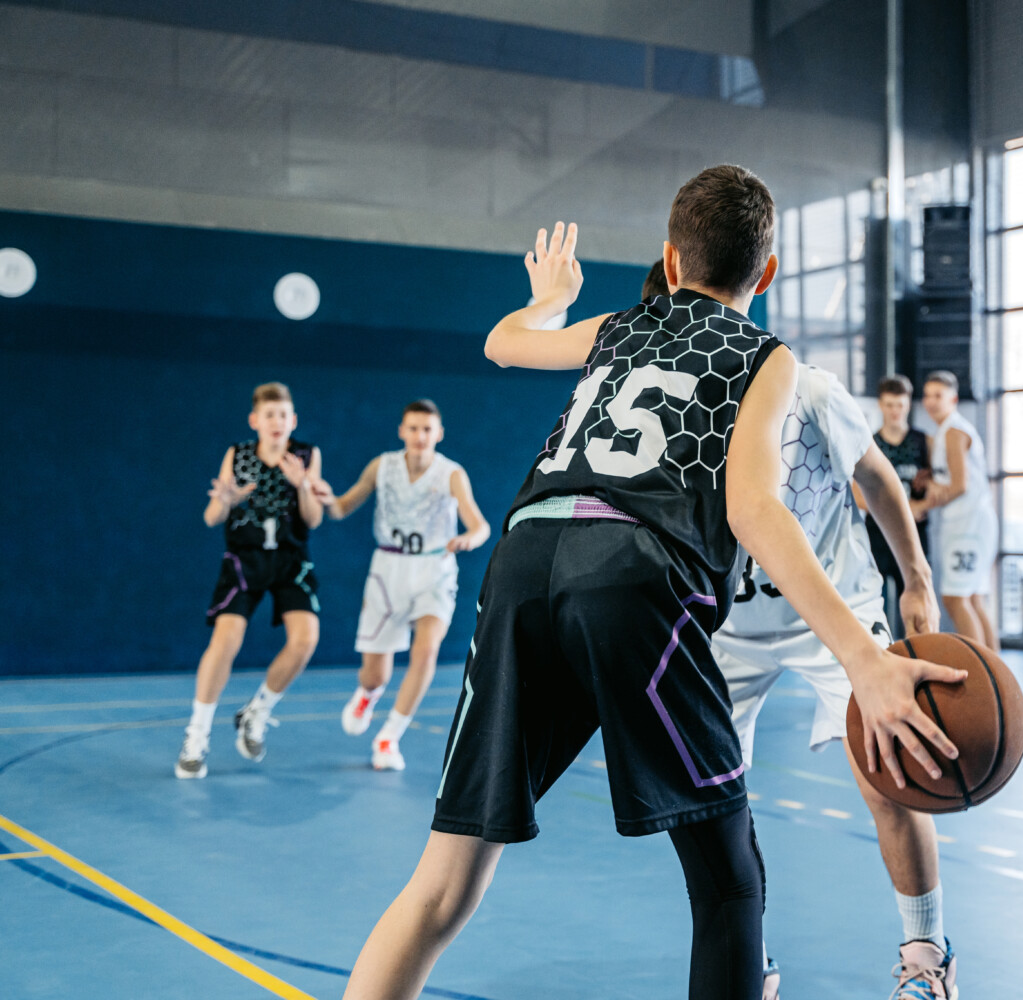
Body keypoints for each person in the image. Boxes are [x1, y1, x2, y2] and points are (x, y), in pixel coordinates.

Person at [341, 166, 964, 1000]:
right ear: (767, 275)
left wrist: (551, 300)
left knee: (445, 882)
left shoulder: (619, 324)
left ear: (671, 263)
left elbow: (502, 342)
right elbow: (753, 510)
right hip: (632, 574)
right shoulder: (766, 359)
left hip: (523, 560)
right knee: (730, 885)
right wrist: (866, 656)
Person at [715, 362, 958, 1000]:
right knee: (713, 807)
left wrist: (916, 576)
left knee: (890, 769)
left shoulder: (811, 389)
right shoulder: (670, 395)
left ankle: (927, 957)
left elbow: (875, 476)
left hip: (834, 609)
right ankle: (749, 957)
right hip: (724, 625)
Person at [317, 400, 490, 771]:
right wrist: (324, 498)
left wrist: (469, 539)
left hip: (434, 568)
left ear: (439, 434)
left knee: (425, 652)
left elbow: (480, 525)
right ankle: (369, 692)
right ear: (402, 431)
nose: (420, 435)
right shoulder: (382, 466)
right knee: (376, 670)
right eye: (413, 428)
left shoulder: (451, 473)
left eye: (427, 429)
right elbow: (342, 507)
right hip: (388, 568)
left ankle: (389, 736)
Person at [175, 382, 326, 779]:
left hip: (291, 560)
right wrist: (225, 501)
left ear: (292, 421)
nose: (276, 422)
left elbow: (313, 519)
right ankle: (197, 736)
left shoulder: (306, 456)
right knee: (225, 642)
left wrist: (303, 486)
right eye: (269, 415)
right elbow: (211, 517)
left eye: (283, 415)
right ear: (255, 420)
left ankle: (256, 711)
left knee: (306, 639)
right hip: (244, 560)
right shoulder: (238, 455)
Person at [919, 371, 998, 649]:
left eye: (938, 396)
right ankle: (996, 674)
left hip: (968, 525)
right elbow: (950, 482)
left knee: (956, 599)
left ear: (952, 399)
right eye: (927, 395)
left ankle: (981, 674)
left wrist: (920, 505)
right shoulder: (944, 432)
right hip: (972, 524)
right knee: (975, 599)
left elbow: (960, 485)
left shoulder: (954, 431)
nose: (930, 402)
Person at [856, 374, 933, 639]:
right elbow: (857, 494)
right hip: (877, 533)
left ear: (908, 404)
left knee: (916, 597)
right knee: (873, 598)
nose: (895, 411)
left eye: (900, 405)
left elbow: (938, 487)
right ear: (880, 405)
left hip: (914, 533)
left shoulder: (924, 442)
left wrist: (921, 503)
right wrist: (900, 507)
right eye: (890, 405)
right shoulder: (870, 444)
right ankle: (882, 653)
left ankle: (919, 655)